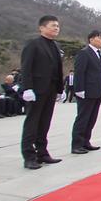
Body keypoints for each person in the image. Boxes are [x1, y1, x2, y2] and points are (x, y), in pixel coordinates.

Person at [20, 15, 64, 169]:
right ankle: (29, 156)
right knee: (32, 123)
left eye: (57, 26)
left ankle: (42, 153)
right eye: (53, 25)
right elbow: (26, 67)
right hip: (36, 89)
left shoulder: (55, 46)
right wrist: (27, 88)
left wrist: (60, 89)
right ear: (42, 27)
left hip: (51, 89)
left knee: (45, 122)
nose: (56, 28)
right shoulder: (33, 44)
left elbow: (58, 69)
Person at [70, 31, 101, 154]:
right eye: (99, 38)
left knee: (92, 118)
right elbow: (79, 72)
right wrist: (79, 89)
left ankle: (86, 142)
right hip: (86, 91)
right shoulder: (84, 53)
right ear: (91, 39)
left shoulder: (100, 54)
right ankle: (77, 144)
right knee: (83, 118)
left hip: (97, 91)